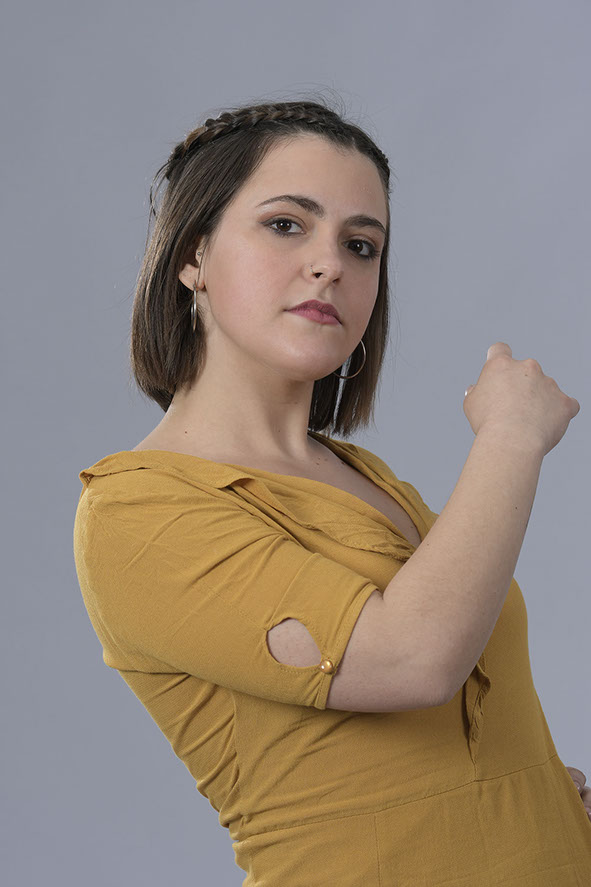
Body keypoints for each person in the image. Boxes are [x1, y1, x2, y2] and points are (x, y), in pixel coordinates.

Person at [73, 97, 590, 884]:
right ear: (193, 254)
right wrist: (511, 438)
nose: (330, 265)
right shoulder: (136, 510)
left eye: (361, 244)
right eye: (285, 224)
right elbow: (411, 660)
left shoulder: (369, 481)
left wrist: (539, 799)